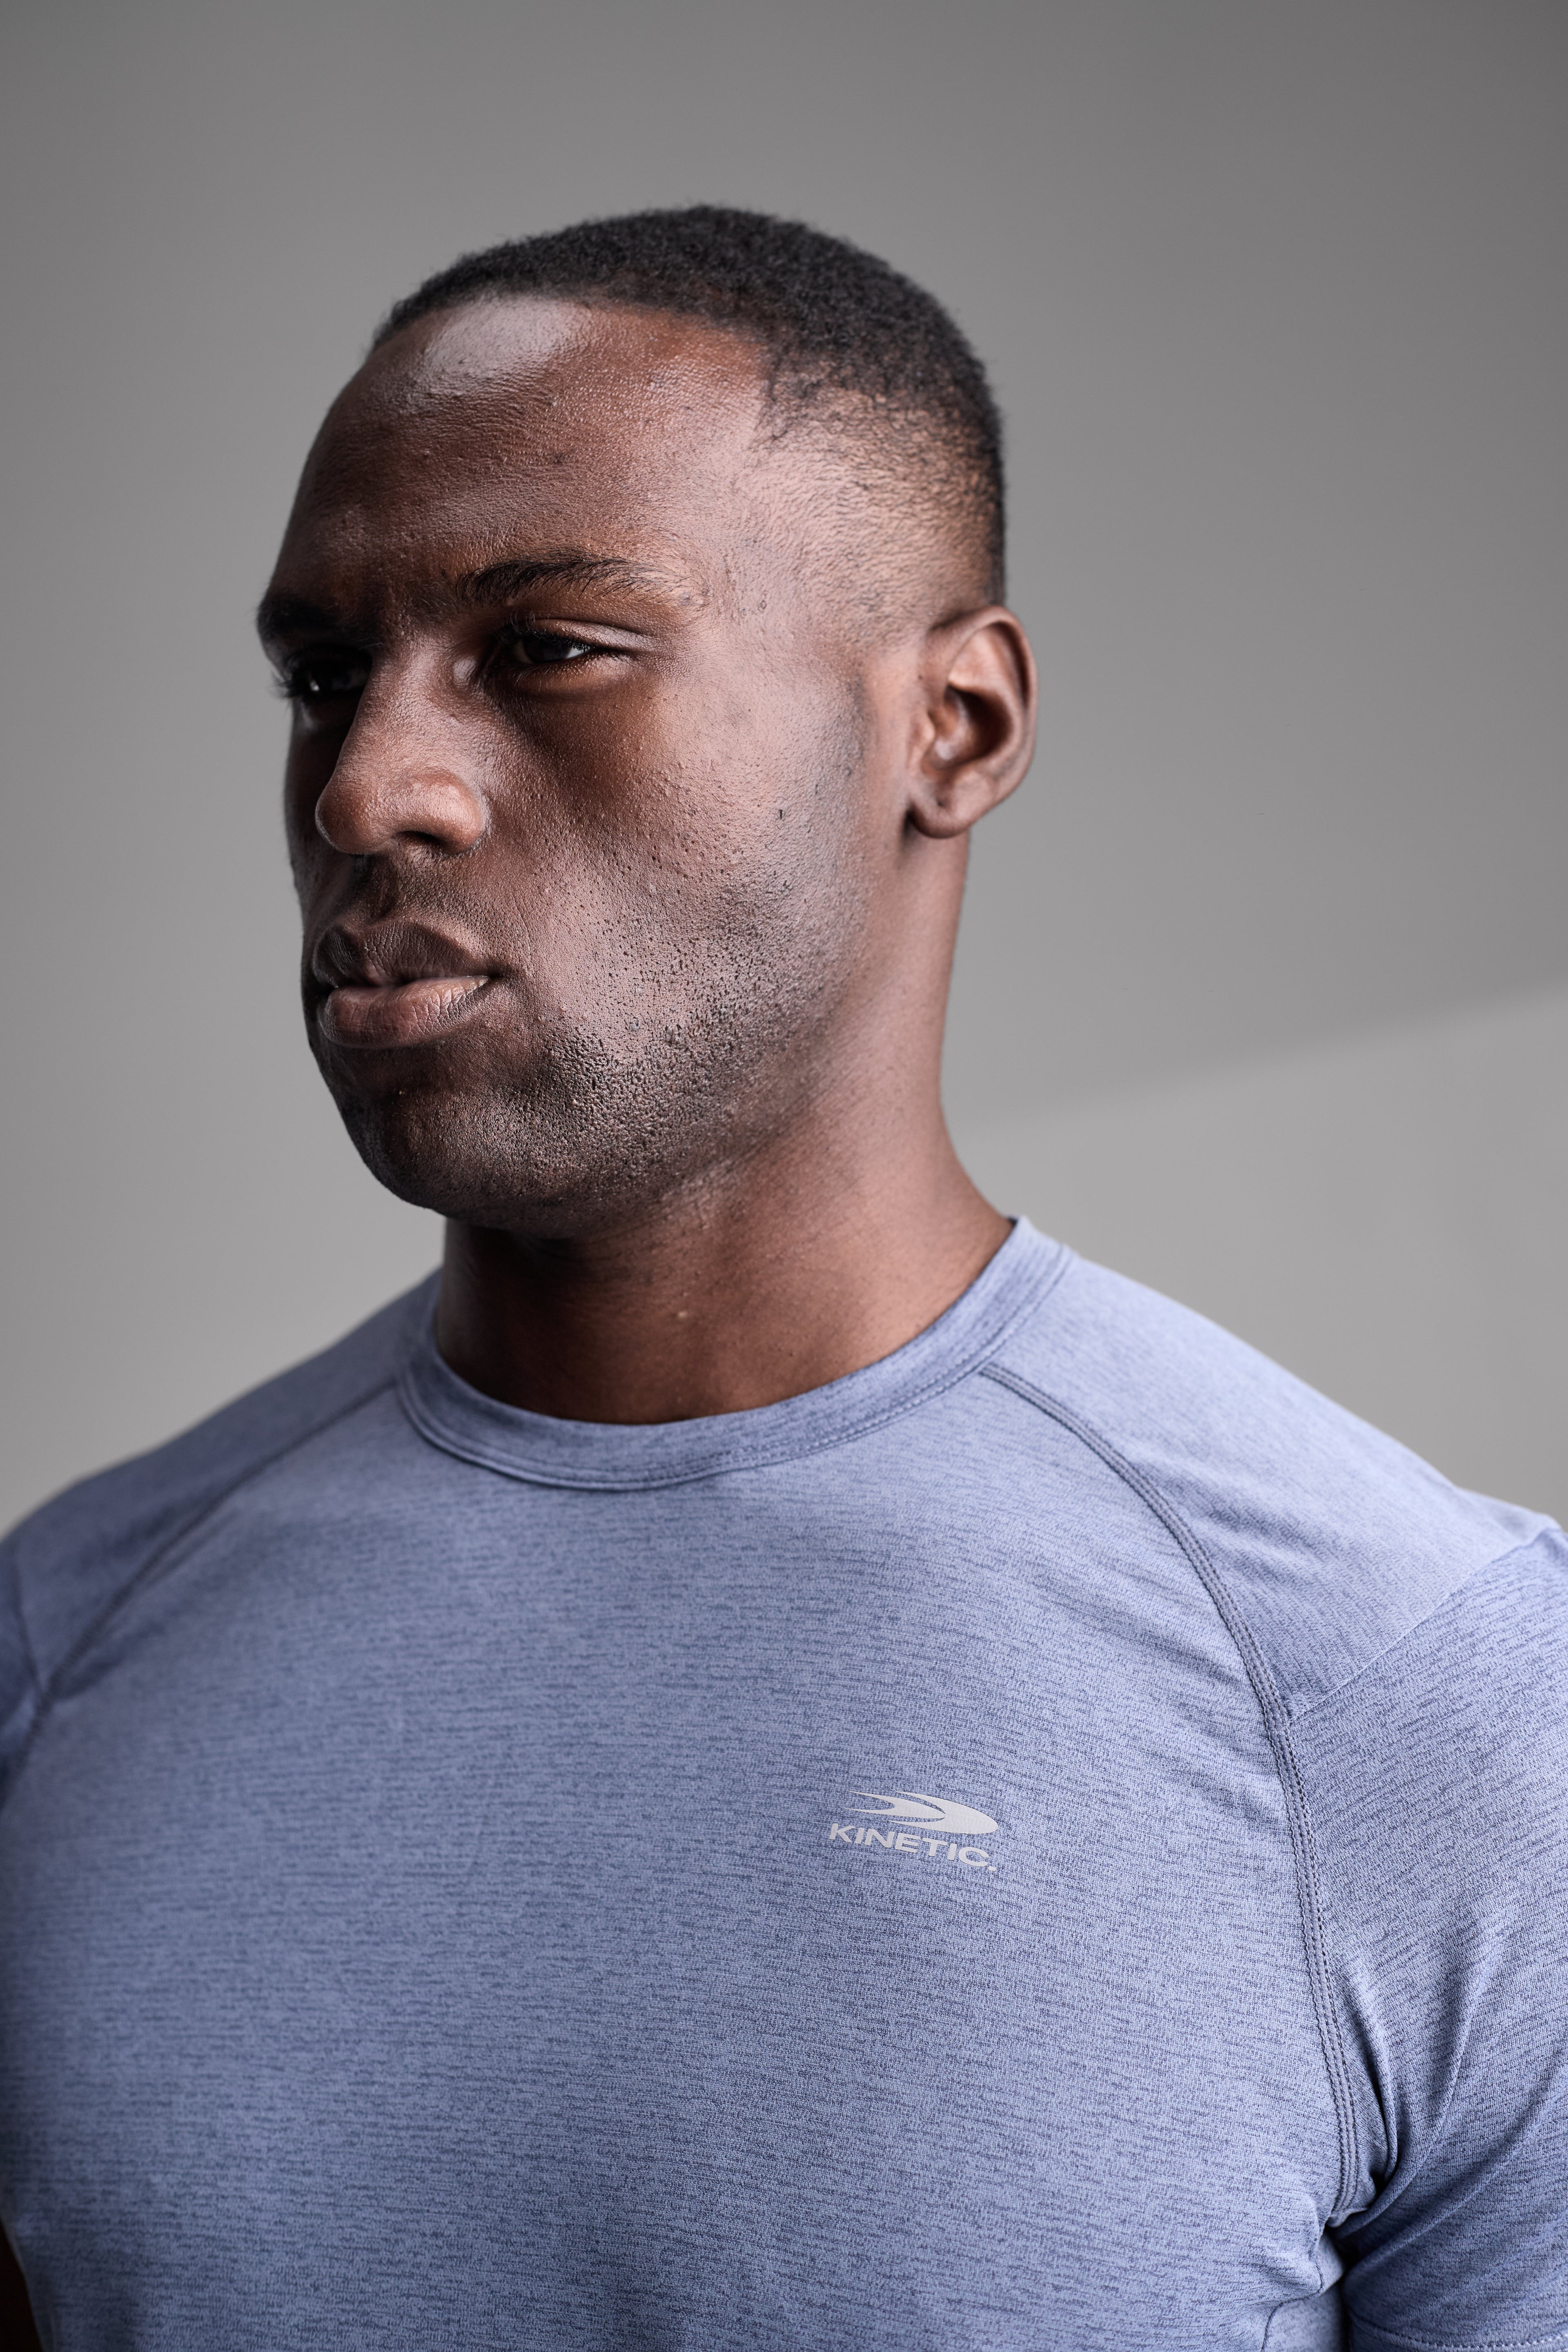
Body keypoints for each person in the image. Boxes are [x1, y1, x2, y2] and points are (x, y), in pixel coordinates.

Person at [0, 207, 1563, 2352]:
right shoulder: (59, 1648)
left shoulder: (1423, 1698)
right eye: (322, 674)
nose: (368, 781)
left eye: (547, 645)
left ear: (957, 724)